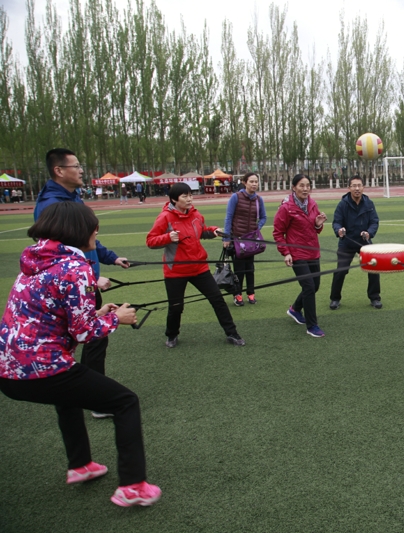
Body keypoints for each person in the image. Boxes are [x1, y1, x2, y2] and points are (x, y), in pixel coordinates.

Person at [0, 202, 161, 507]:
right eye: (94, 228)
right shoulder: (76, 268)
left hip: (8, 371)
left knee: (68, 397)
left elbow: (57, 317)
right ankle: (133, 486)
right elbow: (85, 333)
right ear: (79, 230)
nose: (96, 233)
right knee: (125, 402)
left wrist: (99, 313)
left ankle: (81, 465)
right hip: (41, 368)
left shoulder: (33, 260)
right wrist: (117, 319)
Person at [35, 148, 130, 419]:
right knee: (87, 337)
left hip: (84, 283)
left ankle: (90, 395)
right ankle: (95, 399)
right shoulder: (52, 205)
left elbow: (87, 238)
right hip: (76, 286)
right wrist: (88, 280)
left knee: (94, 340)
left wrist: (111, 258)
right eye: (75, 166)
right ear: (59, 171)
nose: (81, 171)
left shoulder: (72, 197)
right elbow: (52, 254)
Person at [145, 183, 245, 348]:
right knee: (176, 307)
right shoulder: (165, 217)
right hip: (176, 271)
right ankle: (172, 335)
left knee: (217, 300)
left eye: (190, 195)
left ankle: (232, 333)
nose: (189, 199)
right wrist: (168, 237)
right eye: (185, 196)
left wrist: (213, 231)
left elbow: (201, 231)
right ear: (174, 200)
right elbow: (150, 241)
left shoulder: (196, 214)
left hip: (199, 267)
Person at [273, 174, 328, 337]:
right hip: (297, 253)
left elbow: (315, 228)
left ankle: (295, 309)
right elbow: (278, 232)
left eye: (308, 185)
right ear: (294, 187)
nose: (305, 189)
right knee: (309, 287)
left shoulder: (312, 204)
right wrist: (286, 252)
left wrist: (318, 225)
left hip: (313, 251)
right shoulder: (286, 207)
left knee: (314, 286)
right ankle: (312, 326)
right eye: (301, 185)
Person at [329, 175, 381, 310]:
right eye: (354, 186)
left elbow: (374, 222)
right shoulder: (343, 204)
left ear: (363, 187)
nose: (357, 188)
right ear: (349, 188)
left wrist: (369, 233)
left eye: (359, 186)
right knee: (341, 271)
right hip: (346, 242)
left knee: (374, 267)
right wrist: (339, 230)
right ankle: (335, 298)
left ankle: (375, 297)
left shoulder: (369, 204)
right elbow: (336, 222)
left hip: (364, 241)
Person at [223, 172, 267, 306]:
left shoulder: (258, 199)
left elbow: (263, 217)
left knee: (250, 268)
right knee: (239, 269)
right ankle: (237, 295)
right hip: (237, 239)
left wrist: (257, 228)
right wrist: (226, 237)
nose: (254, 184)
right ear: (244, 182)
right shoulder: (236, 197)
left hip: (251, 240)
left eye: (256, 182)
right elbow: (229, 217)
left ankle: (251, 293)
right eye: (251, 181)